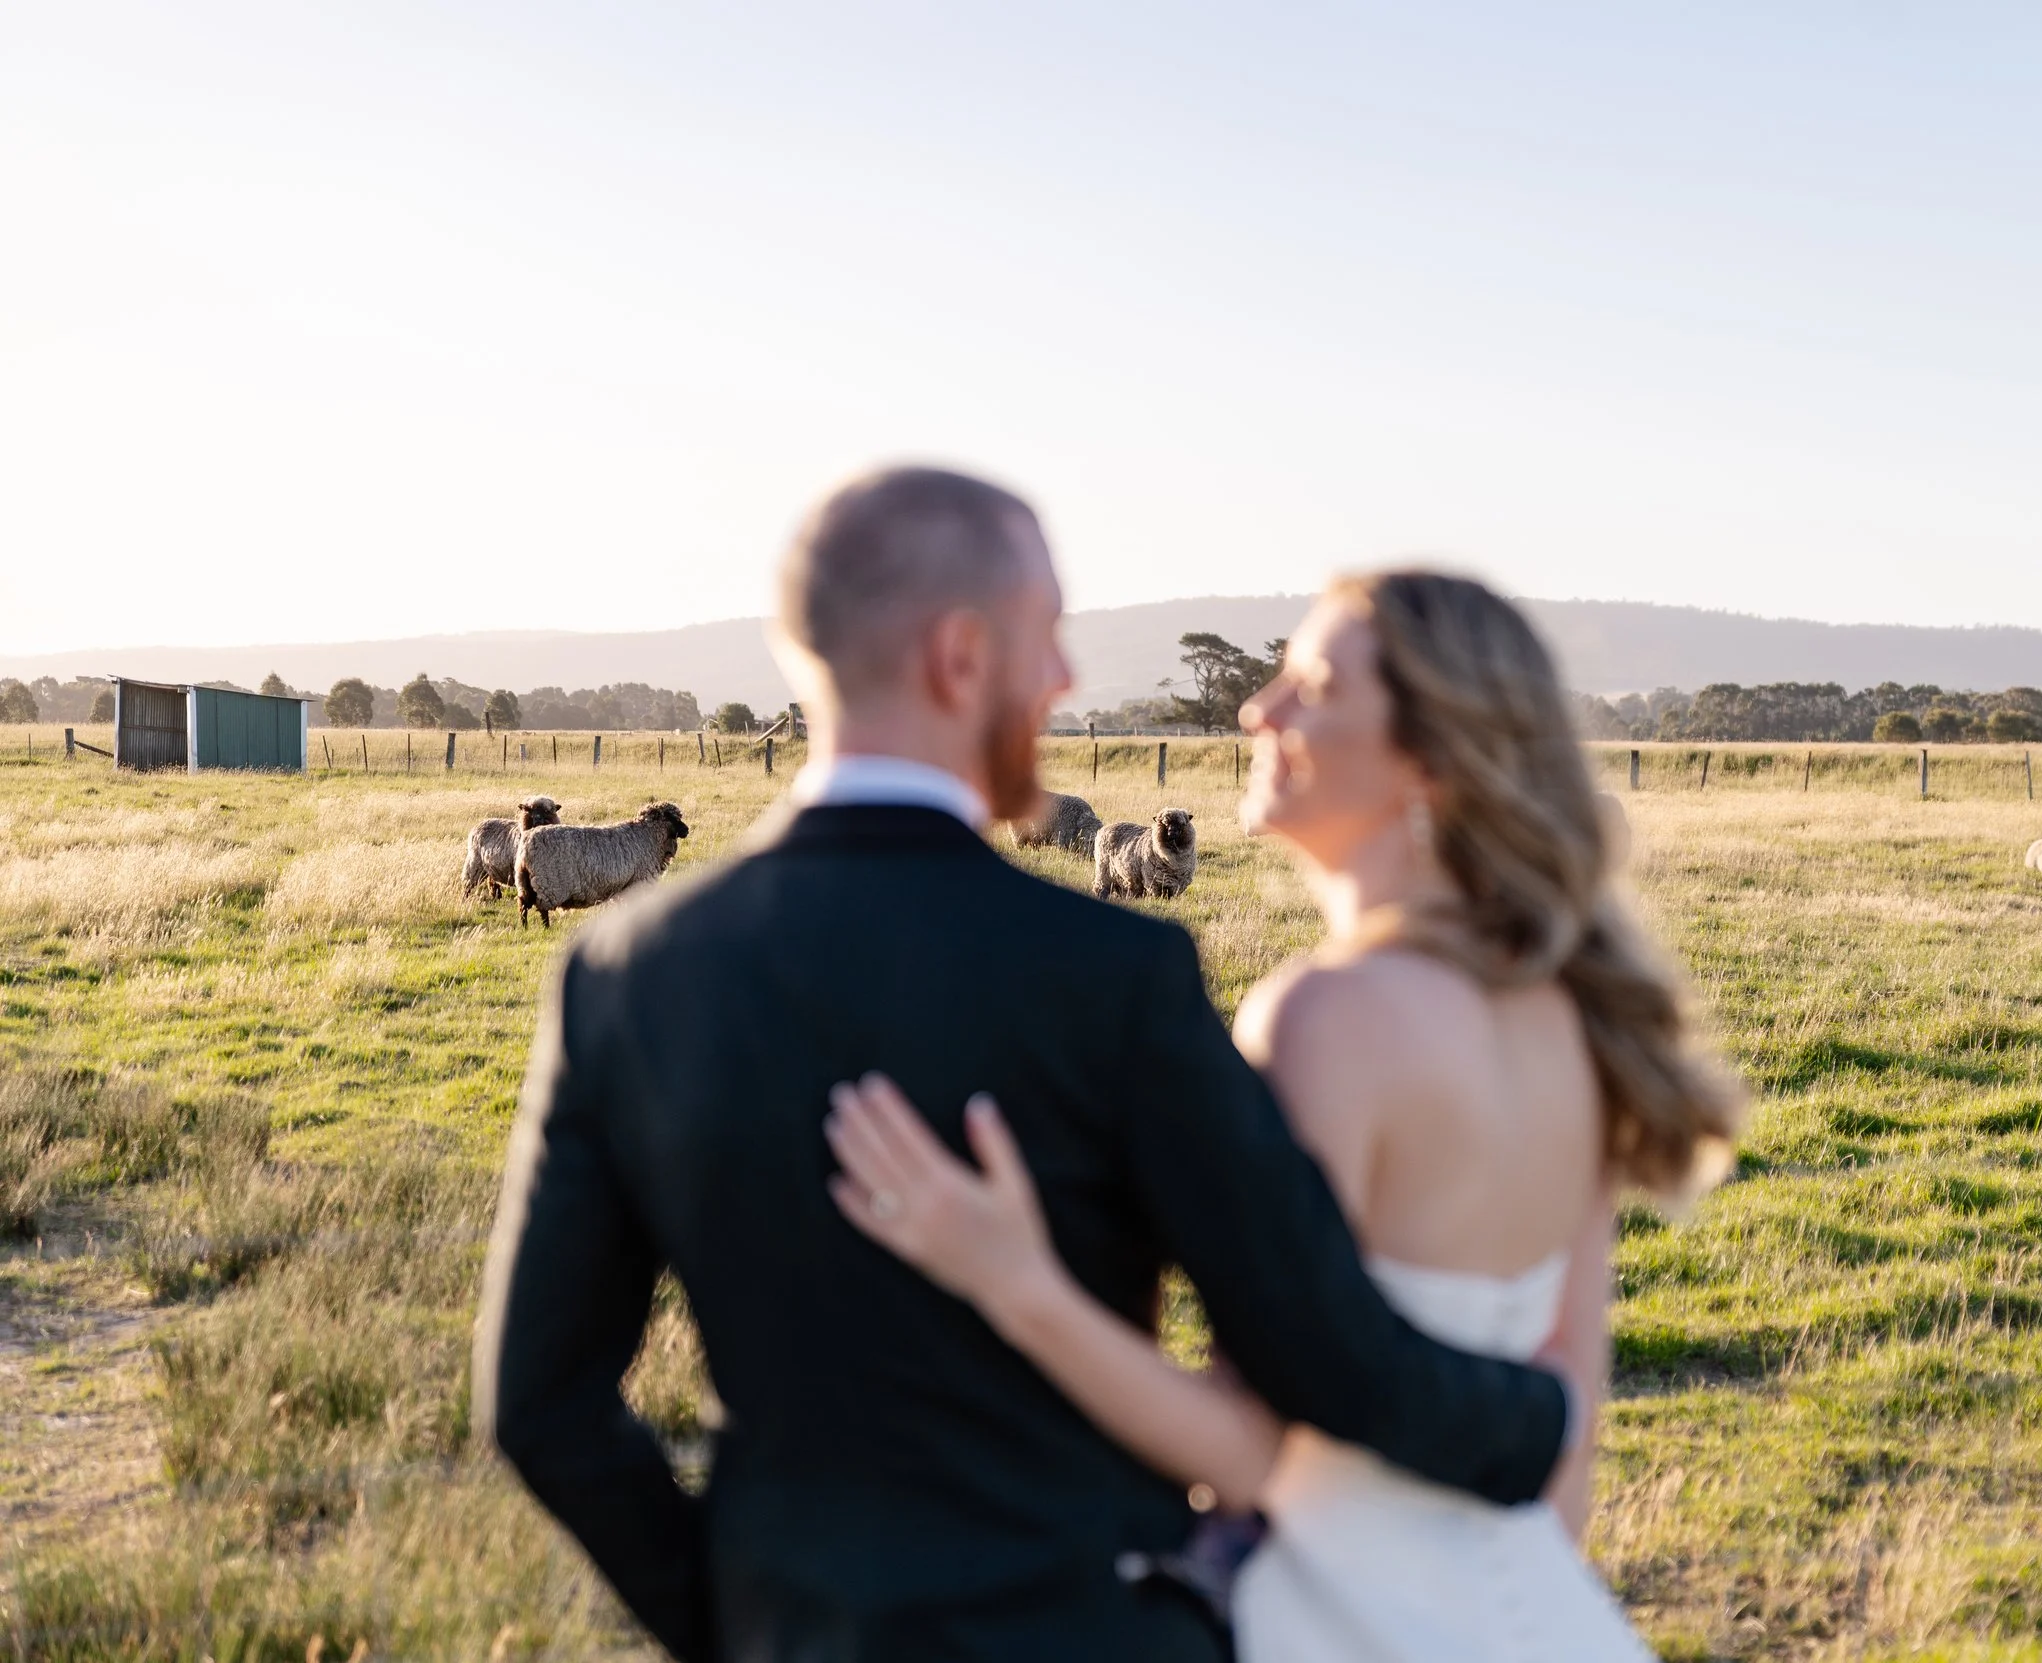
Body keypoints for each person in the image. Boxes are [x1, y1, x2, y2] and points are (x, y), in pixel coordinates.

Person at [472, 469, 1578, 1663]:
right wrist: (1536, 1419)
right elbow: (1326, 1353)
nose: (1062, 683)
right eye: (1047, 640)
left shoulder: (624, 976)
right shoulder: (1116, 974)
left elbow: (540, 1405)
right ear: (960, 655)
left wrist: (744, 1618)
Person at [828, 570, 1744, 1662]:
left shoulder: (1329, 1017)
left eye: (1311, 686)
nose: (1256, 711)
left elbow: (1258, 1453)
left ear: (1429, 756)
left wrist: (1011, 1279)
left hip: (1334, 1619)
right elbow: (1567, 1440)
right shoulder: (1577, 1017)